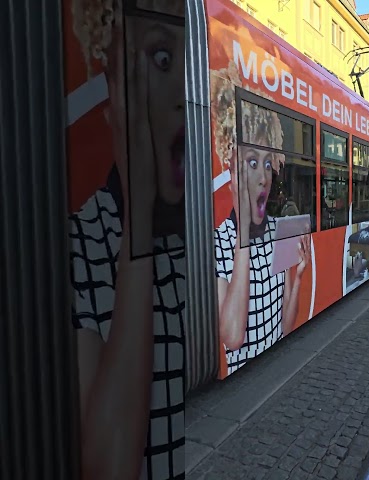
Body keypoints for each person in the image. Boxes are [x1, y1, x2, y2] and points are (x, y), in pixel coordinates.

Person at [68, 2, 186, 479]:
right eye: (161, 59)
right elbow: (108, 466)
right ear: (113, 85)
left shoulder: (206, 230)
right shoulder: (77, 241)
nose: (184, 91)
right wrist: (137, 231)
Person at [211, 62, 312, 375]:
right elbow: (232, 337)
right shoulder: (219, 241)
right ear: (231, 170)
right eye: (252, 162)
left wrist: (296, 279)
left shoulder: (276, 232)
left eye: (268, 165)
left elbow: (284, 326)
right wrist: (243, 233)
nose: (263, 177)